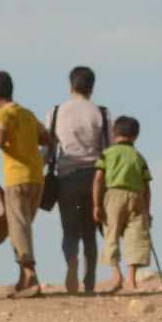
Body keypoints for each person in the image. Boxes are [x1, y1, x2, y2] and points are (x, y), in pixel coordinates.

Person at [0, 71, 53, 298]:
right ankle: (23, 279)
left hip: (17, 177)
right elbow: (48, 138)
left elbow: (0, 140)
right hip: (36, 177)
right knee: (23, 227)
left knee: (18, 229)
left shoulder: (1, 115)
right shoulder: (26, 113)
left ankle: (30, 277)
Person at [44, 66, 109, 294]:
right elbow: (107, 149)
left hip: (66, 177)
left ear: (71, 86)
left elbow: (48, 148)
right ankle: (89, 282)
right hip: (94, 177)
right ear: (92, 87)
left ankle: (71, 258)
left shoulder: (57, 111)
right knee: (90, 232)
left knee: (70, 231)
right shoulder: (100, 112)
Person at [92, 115, 152, 294]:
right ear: (136, 136)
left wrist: (96, 204)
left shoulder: (107, 154)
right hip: (137, 196)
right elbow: (147, 187)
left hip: (113, 195)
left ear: (114, 133)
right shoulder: (139, 157)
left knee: (111, 234)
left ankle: (117, 274)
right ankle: (132, 280)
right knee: (135, 236)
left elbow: (98, 180)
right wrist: (147, 211)